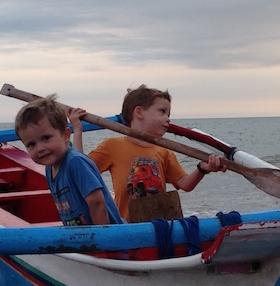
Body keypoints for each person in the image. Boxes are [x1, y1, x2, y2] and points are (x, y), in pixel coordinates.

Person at [71, 85, 224, 221]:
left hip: (161, 226)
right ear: (139, 112)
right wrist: (78, 130)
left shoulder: (164, 152)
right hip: (127, 227)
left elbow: (185, 184)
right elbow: (81, 172)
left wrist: (202, 168)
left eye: (168, 114)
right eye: (162, 112)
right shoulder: (112, 146)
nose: (168, 119)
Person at [15, 96, 123, 226]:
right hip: (84, 240)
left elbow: (97, 202)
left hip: (107, 240)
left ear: (66, 135)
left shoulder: (75, 162)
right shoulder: (50, 168)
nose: (40, 148)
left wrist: (101, 240)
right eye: (31, 144)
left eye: (46, 138)